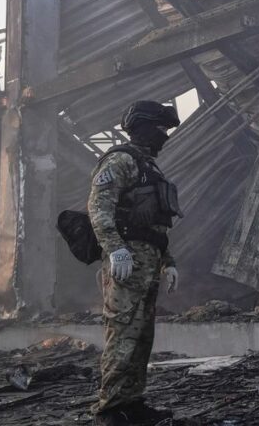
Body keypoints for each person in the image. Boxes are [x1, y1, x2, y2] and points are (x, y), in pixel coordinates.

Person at [90, 100, 181, 426]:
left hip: (147, 263)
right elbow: (99, 207)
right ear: (143, 127)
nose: (163, 136)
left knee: (141, 337)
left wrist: (167, 261)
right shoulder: (121, 161)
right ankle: (110, 409)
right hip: (127, 263)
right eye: (160, 129)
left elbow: (157, 224)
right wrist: (115, 249)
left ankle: (133, 402)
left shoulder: (148, 167)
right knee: (123, 334)